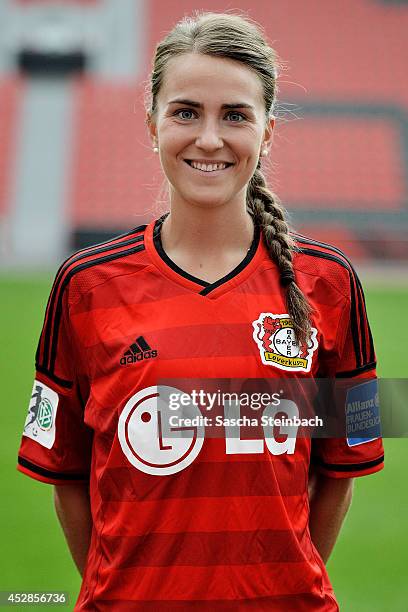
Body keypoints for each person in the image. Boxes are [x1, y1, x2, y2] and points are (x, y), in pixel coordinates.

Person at [17, 12, 384, 611]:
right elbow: (66, 476)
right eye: (186, 111)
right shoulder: (83, 285)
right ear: (152, 123)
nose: (209, 138)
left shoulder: (334, 282)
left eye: (235, 115)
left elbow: (344, 464)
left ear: (267, 132)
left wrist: (282, 585)